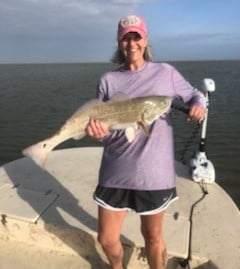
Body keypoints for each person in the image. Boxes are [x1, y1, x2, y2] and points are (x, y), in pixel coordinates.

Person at [86, 15, 206, 269]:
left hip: (153, 174)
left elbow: (195, 94)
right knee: (106, 239)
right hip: (114, 171)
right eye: (126, 38)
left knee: (152, 237)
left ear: (145, 39)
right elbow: (106, 128)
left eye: (136, 37)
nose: (131, 44)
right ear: (119, 42)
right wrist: (99, 132)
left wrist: (197, 105)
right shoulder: (108, 80)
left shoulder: (166, 73)